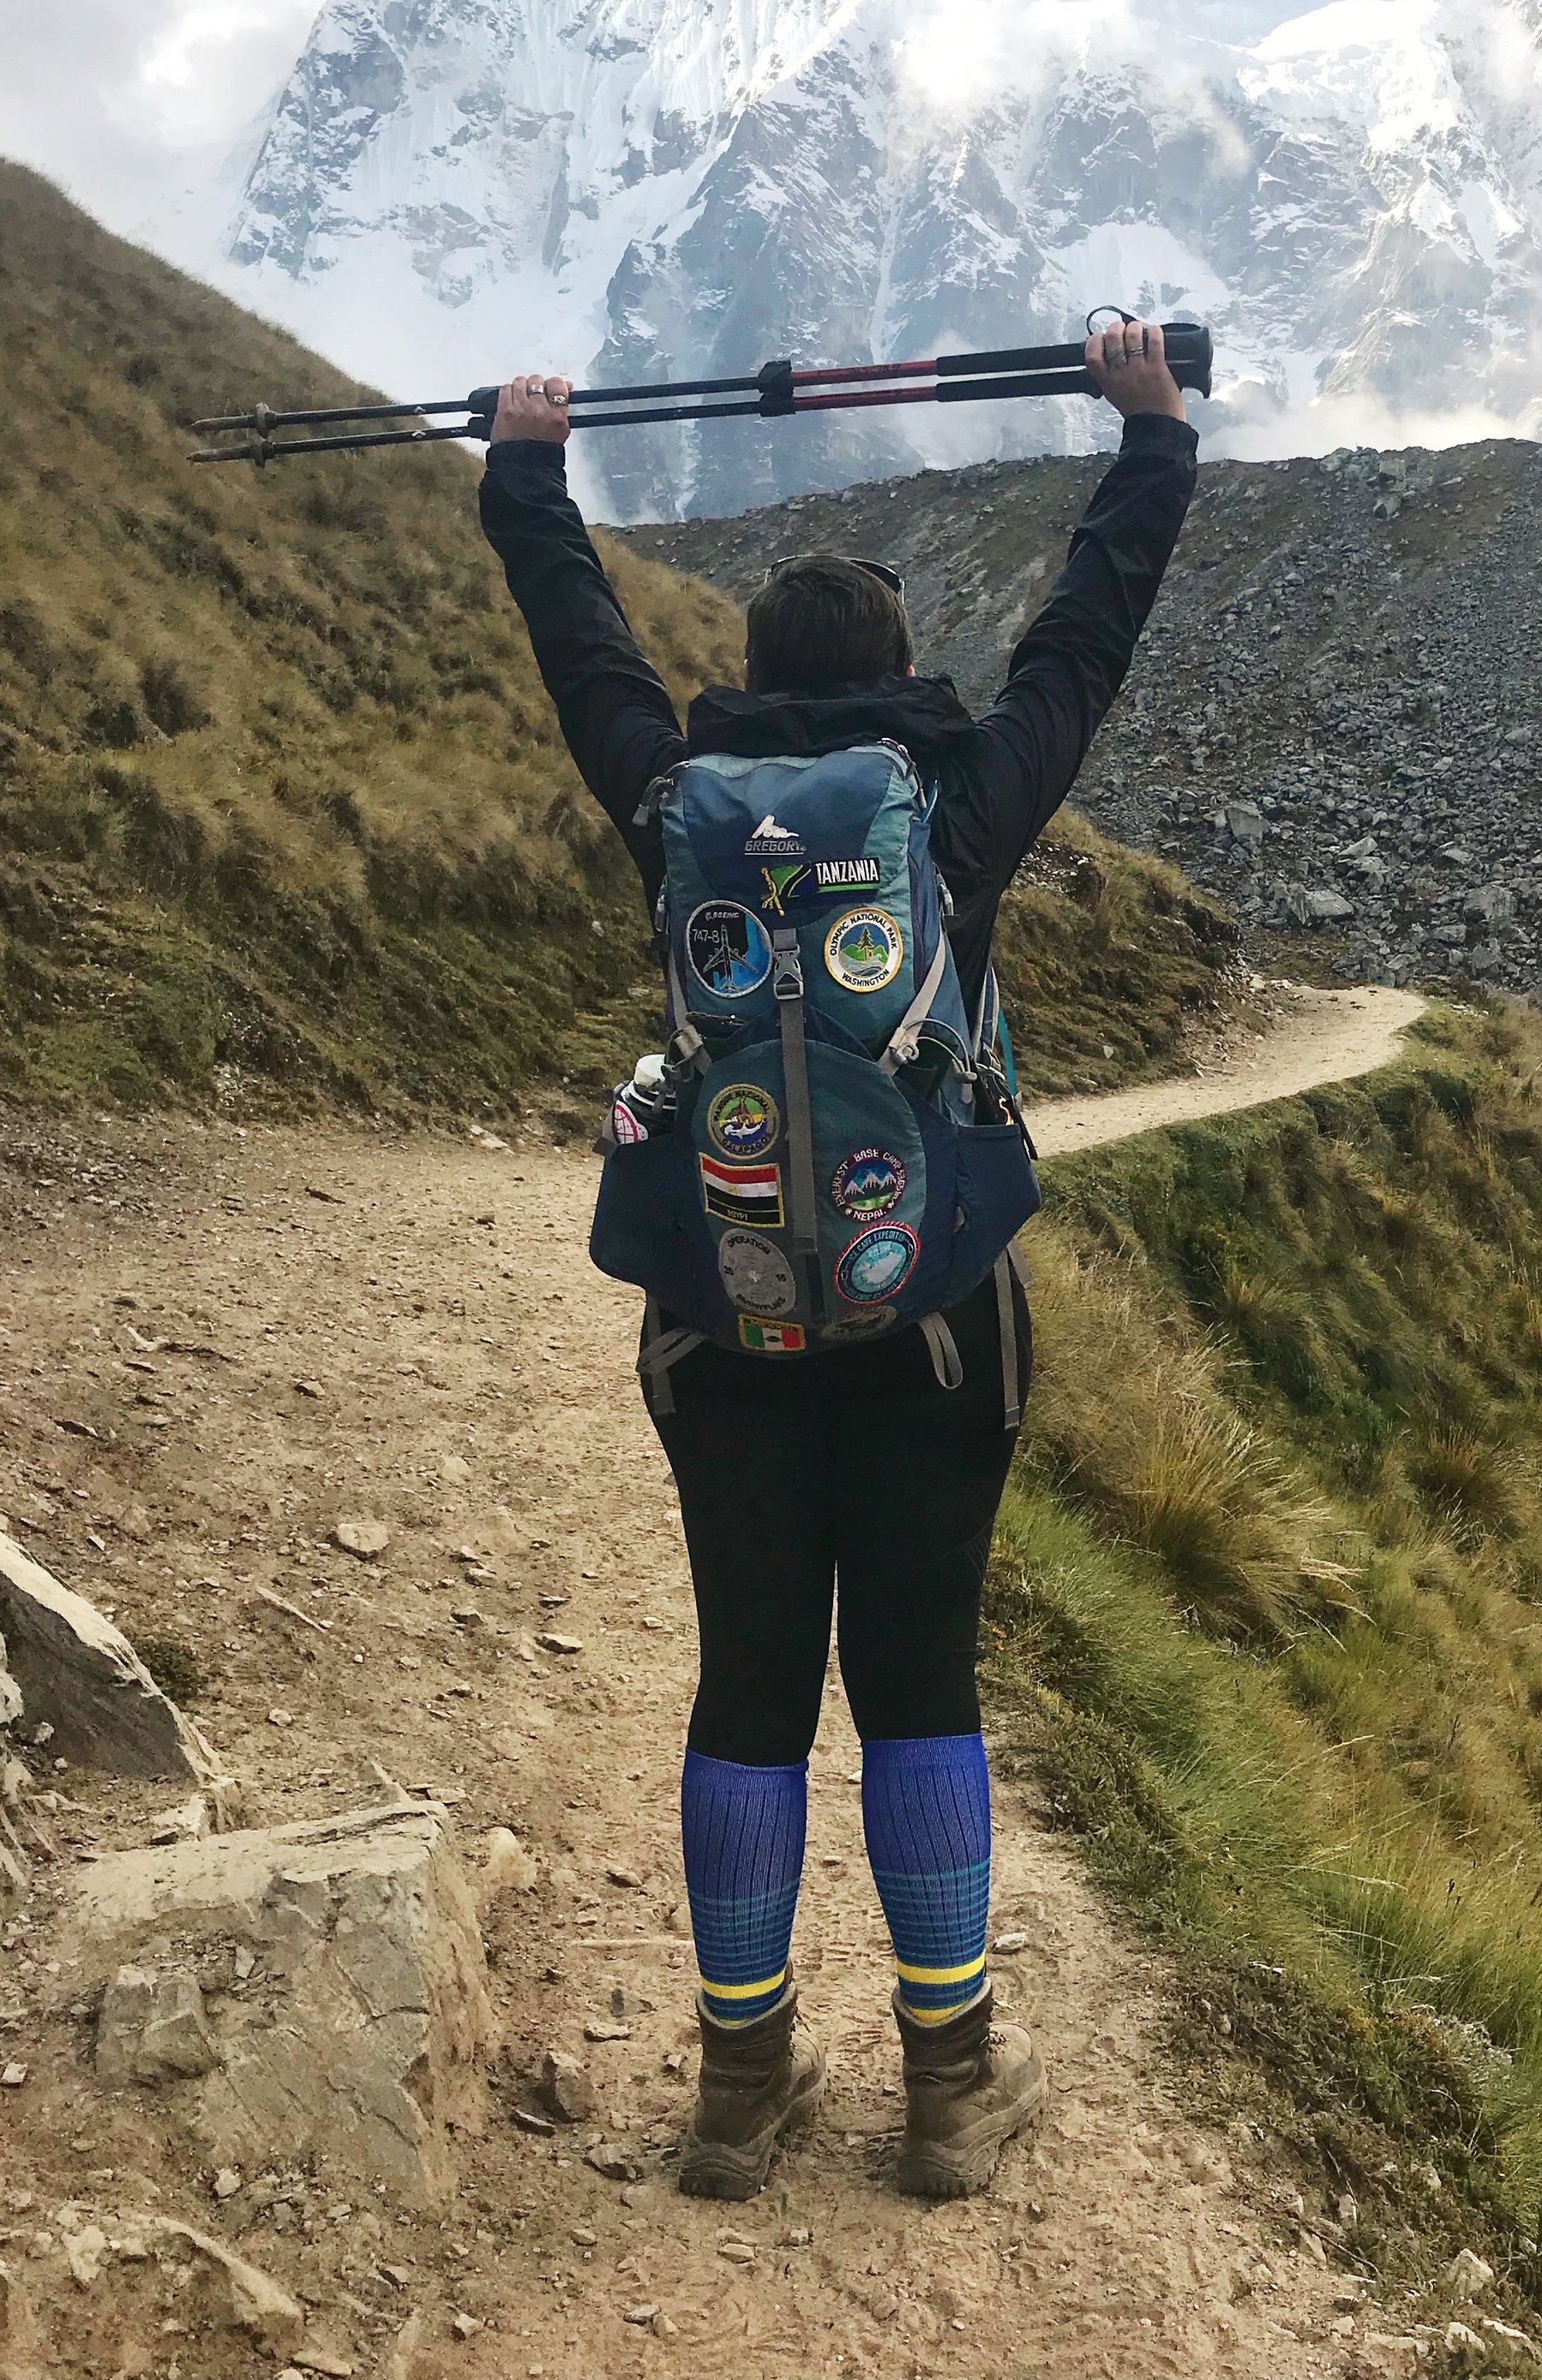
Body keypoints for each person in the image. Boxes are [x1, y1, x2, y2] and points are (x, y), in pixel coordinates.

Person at [479, 319, 1197, 2201]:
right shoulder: (947, 818)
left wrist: (525, 472)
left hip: (722, 1323)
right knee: (917, 1682)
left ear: (743, 691)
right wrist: (1150, 436)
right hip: (936, 1317)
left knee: (745, 1682)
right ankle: (946, 2085)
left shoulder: (673, 812)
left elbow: (584, 654)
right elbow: (1082, 640)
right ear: (894, 679)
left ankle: (738, 2090)